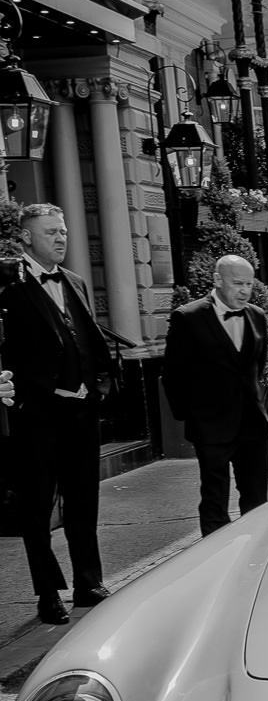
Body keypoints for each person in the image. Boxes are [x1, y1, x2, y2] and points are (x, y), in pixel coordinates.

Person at [0, 203, 115, 624]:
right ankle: (47, 593)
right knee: (36, 508)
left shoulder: (76, 281)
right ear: (27, 237)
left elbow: (84, 334)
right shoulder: (7, 283)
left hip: (82, 412)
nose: (61, 238)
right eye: (51, 232)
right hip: (37, 416)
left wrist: (98, 382)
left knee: (84, 499)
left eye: (63, 231)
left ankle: (89, 582)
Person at [161, 254, 268, 538]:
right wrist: (193, 417)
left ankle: (256, 557)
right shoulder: (188, 317)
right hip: (211, 425)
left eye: (249, 283)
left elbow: (255, 366)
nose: (245, 290)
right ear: (217, 280)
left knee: (257, 500)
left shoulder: (257, 316)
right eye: (237, 283)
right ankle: (214, 562)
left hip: (253, 425)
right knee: (214, 499)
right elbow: (174, 374)